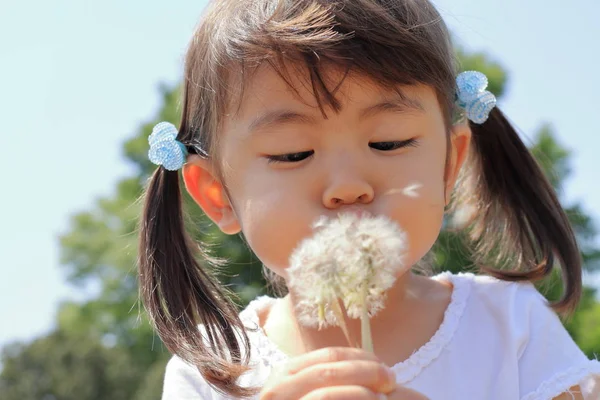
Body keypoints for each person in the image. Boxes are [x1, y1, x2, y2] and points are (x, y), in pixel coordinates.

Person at [138, 0, 600, 398]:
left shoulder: (510, 328)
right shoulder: (213, 374)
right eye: (293, 153)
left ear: (448, 166)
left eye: (389, 143)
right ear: (217, 195)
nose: (348, 185)